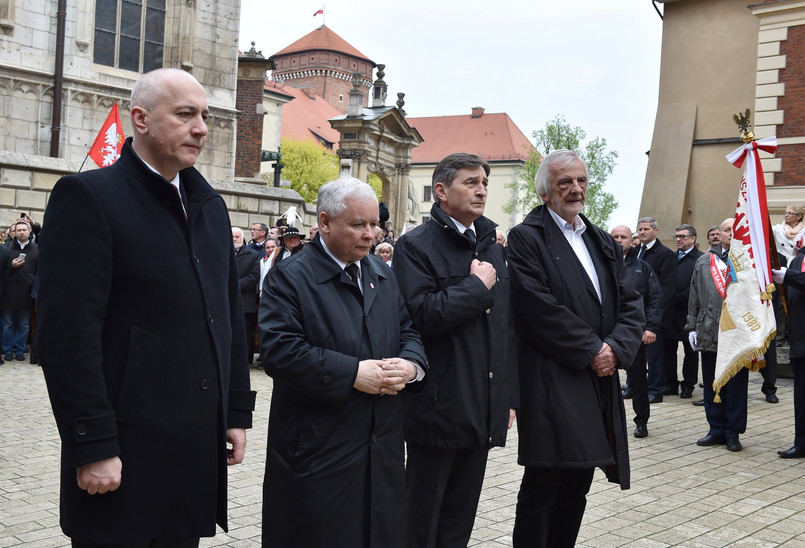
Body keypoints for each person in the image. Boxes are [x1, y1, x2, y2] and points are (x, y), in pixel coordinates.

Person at [37, 67, 256, 546]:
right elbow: (66, 336)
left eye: (204, 116)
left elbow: (226, 322)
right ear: (140, 118)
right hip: (123, 450)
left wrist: (236, 411)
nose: (201, 127)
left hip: (192, 449)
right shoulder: (90, 198)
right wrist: (91, 445)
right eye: (185, 114)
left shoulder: (209, 207)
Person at [259, 176, 427, 547]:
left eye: (375, 225)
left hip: (380, 452)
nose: (372, 235)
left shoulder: (382, 274)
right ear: (324, 222)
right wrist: (352, 373)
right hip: (317, 452)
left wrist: (411, 367)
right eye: (358, 224)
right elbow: (280, 351)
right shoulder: (290, 278)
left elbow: (408, 331)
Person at [507, 150, 643, 547]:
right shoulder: (527, 237)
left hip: (597, 378)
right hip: (552, 378)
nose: (576, 188)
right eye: (565, 181)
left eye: (581, 180)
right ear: (546, 191)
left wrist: (616, 348)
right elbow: (536, 306)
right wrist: (591, 350)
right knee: (545, 480)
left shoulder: (600, 238)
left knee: (579, 479)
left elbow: (629, 301)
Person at [393, 152, 517, 548]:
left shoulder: (491, 243)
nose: (481, 189)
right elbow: (420, 315)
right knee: (421, 519)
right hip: (438, 405)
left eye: (484, 182)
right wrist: (475, 289)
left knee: (459, 519)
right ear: (442, 191)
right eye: (471, 182)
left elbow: (505, 327)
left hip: (482, 406)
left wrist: (507, 397)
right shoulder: (415, 246)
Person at [686, 218, 747, 452]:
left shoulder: (747, 261)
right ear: (718, 234)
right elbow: (694, 296)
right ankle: (715, 428)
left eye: (734, 229)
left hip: (738, 332)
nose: (730, 233)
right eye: (726, 229)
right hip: (709, 328)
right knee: (712, 382)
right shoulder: (704, 261)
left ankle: (733, 431)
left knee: (736, 383)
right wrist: (691, 326)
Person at [611, 225, 663, 438]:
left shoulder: (642, 267)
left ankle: (641, 421)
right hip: (606, 333)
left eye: (623, 237)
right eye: (615, 236)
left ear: (631, 240)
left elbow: (655, 298)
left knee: (638, 382)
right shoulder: (601, 265)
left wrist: (651, 327)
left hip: (634, 333)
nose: (619, 240)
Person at [629, 216, 676, 403]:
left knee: (655, 355)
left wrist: (656, 316)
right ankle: (634, 386)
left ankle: (655, 389)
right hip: (635, 313)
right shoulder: (635, 252)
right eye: (640, 230)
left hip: (655, 315)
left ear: (656, 231)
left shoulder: (665, 254)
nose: (642, 233)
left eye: (646, 229)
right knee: (635, 355)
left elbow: (667, 288)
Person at [661, 224, 703, 399]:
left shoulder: (701, 259)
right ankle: (670, 383)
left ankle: (688, 385)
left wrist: (677, 297)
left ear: (693, 238)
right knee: (667, 350)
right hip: (669, 313)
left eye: (683, 236)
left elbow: (698, 285)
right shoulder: (670, 257)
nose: (678, 239)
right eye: (676, 236)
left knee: (690, 351)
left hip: (688, 312)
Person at [774, 249, 805, 457]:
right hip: (800, 340)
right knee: (801, 396)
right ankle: (801, 443)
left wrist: (789, 276)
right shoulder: (799, 259)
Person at [2, 221, 38, 361]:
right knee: (8, 323)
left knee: (23, 324)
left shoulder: (36, 249)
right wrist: (10, 265)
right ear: (14, 232)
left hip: (27, 293)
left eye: (24, 229)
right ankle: (8, 350)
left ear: (30, 231)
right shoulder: (6, 248)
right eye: (19, 230)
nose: (22, 232)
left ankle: (20, 349)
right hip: (8, 292)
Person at [233, 227, 260, 364]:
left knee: (244, 335)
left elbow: (254, 277)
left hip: (245, 302)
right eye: (231, 236)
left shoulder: (253, 255)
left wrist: (233, 285)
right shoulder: (224, 252)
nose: (234, 239)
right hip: (227, 302)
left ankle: (244, 362)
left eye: (237, 237)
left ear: (242, 238)